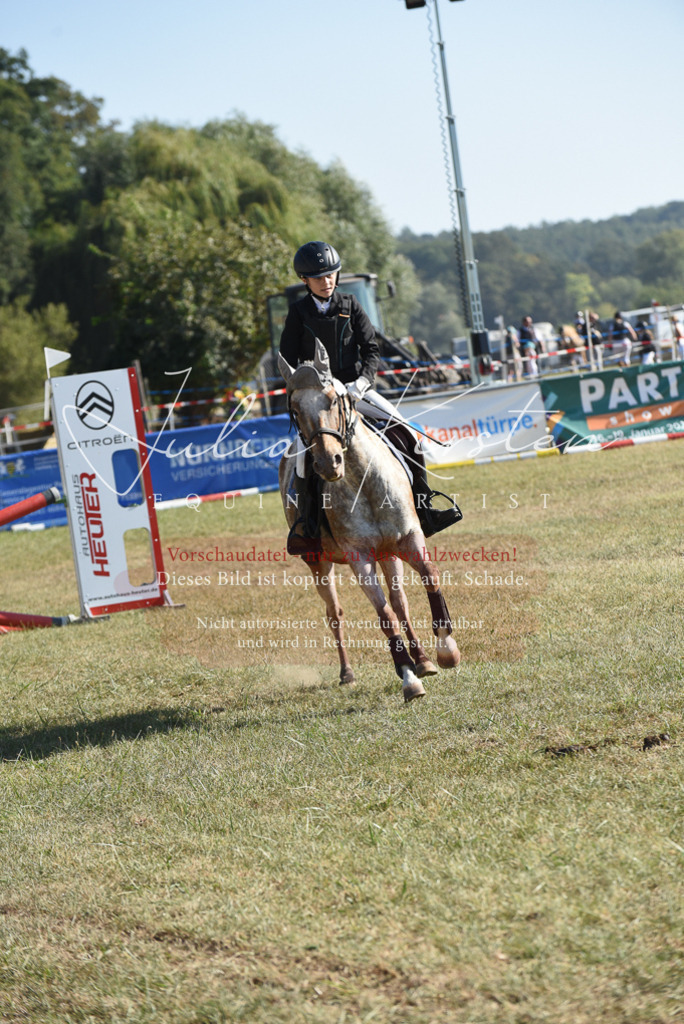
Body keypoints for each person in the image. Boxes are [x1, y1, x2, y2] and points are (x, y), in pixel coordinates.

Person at [279, 241, 461, 555]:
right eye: (319, 277)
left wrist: (362, 382)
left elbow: (371, 350)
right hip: (321, 400)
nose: (327, 281)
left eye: (331, 274)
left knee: (407, 435)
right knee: (299, 459)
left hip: (354, 389)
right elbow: (288, 360)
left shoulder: (351, 305)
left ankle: (425, 505)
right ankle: (308, 526)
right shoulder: (297, 313)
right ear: (305, 281)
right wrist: (309, 388)